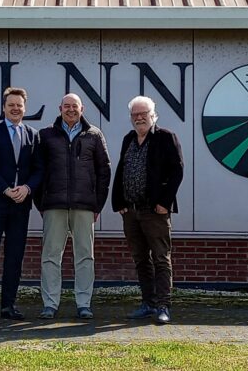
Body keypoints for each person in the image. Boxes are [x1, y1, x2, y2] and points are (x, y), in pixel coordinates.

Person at [36, 93, 110, 320]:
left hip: (84, 206)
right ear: (60, 108)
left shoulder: (94, 135)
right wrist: (41, 202)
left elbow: (103, 171)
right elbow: (38, 170)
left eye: (74, 106)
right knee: (50, 256)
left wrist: (97, 204)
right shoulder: (45, 135)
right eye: (66, 106)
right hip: (54, 204)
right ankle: (50, 303)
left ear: (82, 108)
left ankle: (84, 304)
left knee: (85, 256)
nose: (70, 110)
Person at [112, 95, 185, 325]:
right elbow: (121, 170)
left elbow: (177, 171)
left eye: (144, 114)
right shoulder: (129, 139)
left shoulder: (166, 138)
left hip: (155, 211)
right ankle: (148, 303)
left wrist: (165, 201)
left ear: (153, 115)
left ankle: (163, 306)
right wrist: (119, 203)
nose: (139, 118)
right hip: (131, 212)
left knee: (161, 258)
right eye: (135, 115)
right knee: (141, 260)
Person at [0, 86, 42, 323]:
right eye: (11, 105)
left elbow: (39, 169)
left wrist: (27, 188)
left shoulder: (33, 134)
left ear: (24, 108)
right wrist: (4, 188)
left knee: (14, 257)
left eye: (19, 105)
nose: (15, 109)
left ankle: (8, 306)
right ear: (4, 107)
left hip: (20, 204)